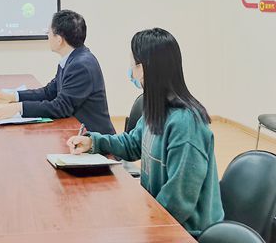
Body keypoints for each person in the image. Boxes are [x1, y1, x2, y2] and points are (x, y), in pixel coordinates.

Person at [66, 28, 224, 237]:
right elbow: (133, 144)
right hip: (160, 218)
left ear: (144, 69)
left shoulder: (186, 124)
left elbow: (179, 200)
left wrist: (142, 224)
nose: (131, 71)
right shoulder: (157, 107)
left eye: (133, 64)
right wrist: (94, 142)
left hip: (186, 231)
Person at [0, 10, 115, 135]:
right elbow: (49, 92)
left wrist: (18, 108)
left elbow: (61, 107)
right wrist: (13, 97)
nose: (47, 36)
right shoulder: (73, 59)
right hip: (76, 133)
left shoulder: (80, 65)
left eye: (49, 33)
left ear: (59, 39)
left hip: (95, 139)